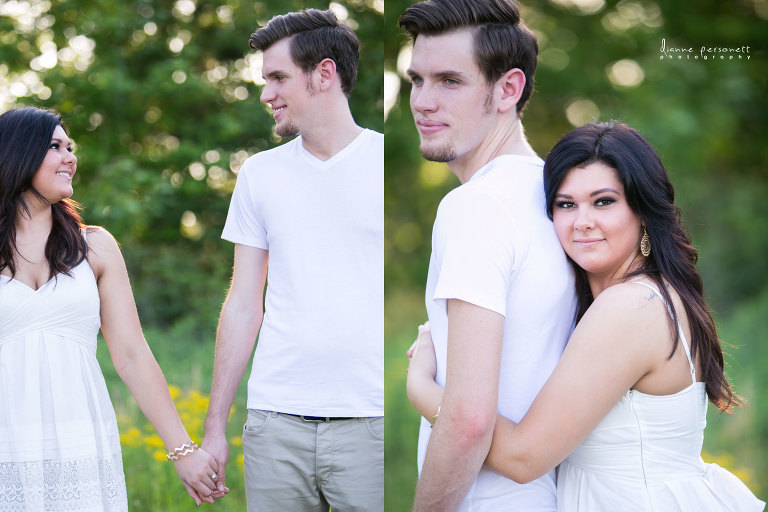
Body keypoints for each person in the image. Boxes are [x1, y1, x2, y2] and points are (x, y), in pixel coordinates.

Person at [407, 121, 766, 511]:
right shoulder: (644, 295)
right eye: (566, 204)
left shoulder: (629, 308)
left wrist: (422, 387)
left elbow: (522, 458)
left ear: (643, 210)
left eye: (604, 201)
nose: (582, 222)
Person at [201, 8, 384, 512]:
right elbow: (242, 303)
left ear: (324, 74)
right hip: (274, 422)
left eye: (278, 77)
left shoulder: (385, 165)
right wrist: (214, 427)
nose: (265, 93)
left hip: (371, 422)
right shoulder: (259, 175)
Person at [398, 0, 577, 510]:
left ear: (508, 89)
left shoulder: (476, 206)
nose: (423, 102)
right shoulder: (556, 199)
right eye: (416, 80)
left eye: (450, 81)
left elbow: (468, 420)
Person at [0, 106, 221, 510]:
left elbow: (133, 355)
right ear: (16, 154)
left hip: (80, 436)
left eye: (71, 147)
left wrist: (183, 450)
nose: (70, 157)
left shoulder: (95, 247)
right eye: (55, 146)